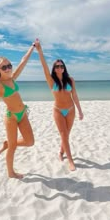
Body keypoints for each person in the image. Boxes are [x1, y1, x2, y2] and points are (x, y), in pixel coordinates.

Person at [34, 39, 83, 171]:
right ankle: (70, 161)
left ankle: (61, 152)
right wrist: (40, 50)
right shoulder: (51, 81)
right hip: (58, 111)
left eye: (61, 66)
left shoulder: (70, 80)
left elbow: (75, 96)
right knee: (63, 134)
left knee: (66, 134)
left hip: (71, 110)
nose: (59, 68)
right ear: (54, 69)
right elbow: (44, 66)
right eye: (57, 66)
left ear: (64, 68)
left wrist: (80, 110)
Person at [0, 43, 35, 179]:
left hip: (23, 113)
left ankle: (7, 143)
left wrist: (32, 47)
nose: (8, 69)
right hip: (11, 117)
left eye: (9, 65)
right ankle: (11, 173)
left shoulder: (12, 78)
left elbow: (23, 62)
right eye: (4, 67)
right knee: (13, 148)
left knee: (30, 142)